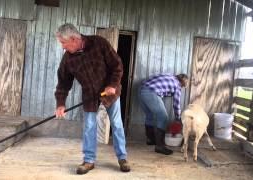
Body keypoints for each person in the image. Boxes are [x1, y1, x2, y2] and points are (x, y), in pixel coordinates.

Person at [54, 23, 130, 175]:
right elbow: (63, 81)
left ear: (74, 39)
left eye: (64, 43)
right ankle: (89, 160)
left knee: (116, 123)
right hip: (89, 95)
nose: (63, 47)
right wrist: (61, 104)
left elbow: (117, 65)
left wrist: (112, 84)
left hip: (110, 91)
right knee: (89, 126)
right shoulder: (68, 58)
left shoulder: (99, 43)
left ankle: (122, 158)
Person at [139, 73, 189, 155]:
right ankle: (160, 146)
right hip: (151, 92)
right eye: (183, 86)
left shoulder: (168, 75)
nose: (182, 87)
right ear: (183, 82)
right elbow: (176, 104)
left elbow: (152, 78)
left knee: (150, 115)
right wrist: (178, 118)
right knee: (163, 117)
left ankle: (150, 140)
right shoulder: (177, 85)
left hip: (141, 90)